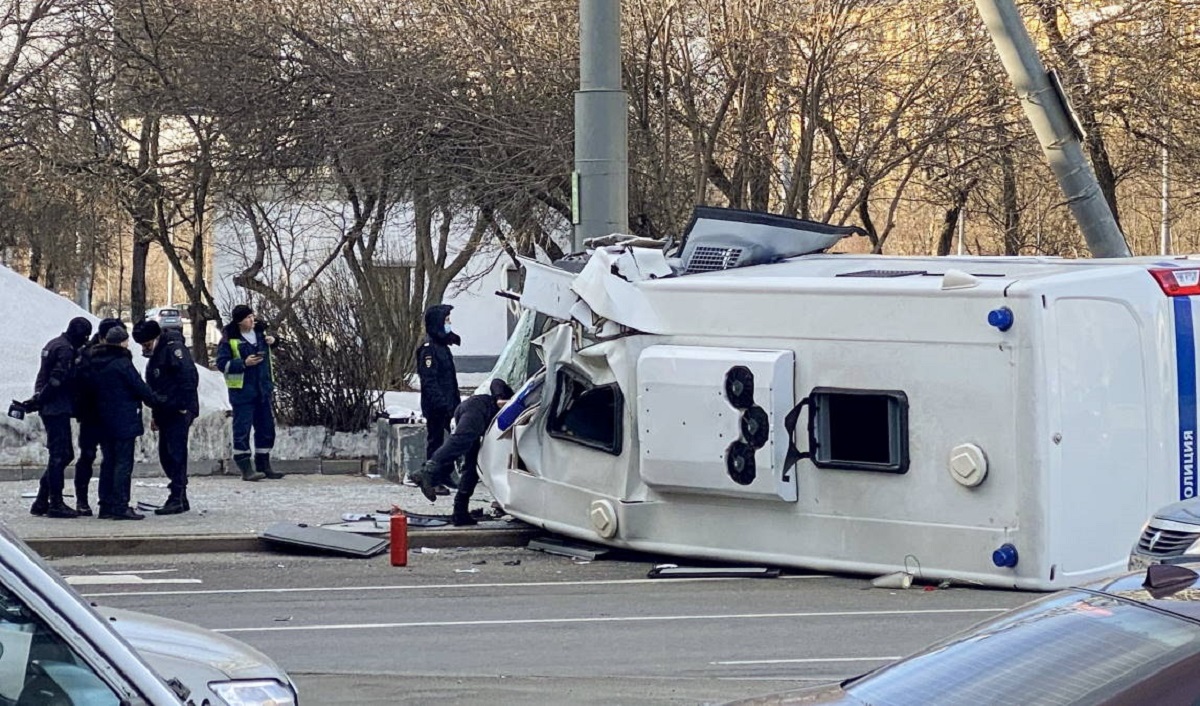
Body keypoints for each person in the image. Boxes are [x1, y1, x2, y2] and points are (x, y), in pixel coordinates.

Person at [410, 378, 513, 525]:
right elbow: (496, 382)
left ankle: (460, 512)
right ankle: (426, 472)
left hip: (473, 415)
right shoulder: (515, 397)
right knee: (459, 442)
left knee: (472, 466)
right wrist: (500, 397)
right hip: (476, 410)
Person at [88, 325, 163, 520]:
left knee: (108, 462)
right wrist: (157, 400)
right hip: (123, 420)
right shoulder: (122, 363)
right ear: (123, 343)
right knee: (122, 463)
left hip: (100, 420)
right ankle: (120, 505)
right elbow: (140, 388)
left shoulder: (94, 361)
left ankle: (105, 505)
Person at [26, 317, 93, 518]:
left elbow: (43, 377)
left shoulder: (53, 343)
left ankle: (41, 500)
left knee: (62, 454)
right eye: (84, 337)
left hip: (51, 406)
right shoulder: (65, 350)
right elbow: (56, 380)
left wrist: (38, 397)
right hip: (57, 407)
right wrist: (39, 400)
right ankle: (55, 502)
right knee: (60, 455)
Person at [133, 319, 199, 515]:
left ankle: (177, 496)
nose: (144, 349)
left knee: (175, 453)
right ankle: (180, 495)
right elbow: (157, 384)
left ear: (155, 338)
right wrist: (156, 414)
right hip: (166, 409)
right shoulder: (158, 352)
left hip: (178, 409)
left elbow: (188, 378)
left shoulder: (173, 350)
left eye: (146, 344)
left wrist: (181, 406)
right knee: (166, 454)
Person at [215, 304, 282, 482]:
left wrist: (274, 341)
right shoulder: (230, 339)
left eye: (252, 316)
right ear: (239, 321)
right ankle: (245, 468)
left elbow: (270, 347)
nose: (252, 320)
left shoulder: (259, 333)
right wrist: (243, 363)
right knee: (242, 430)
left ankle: (264, 464)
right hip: (242, 392)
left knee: (266, 428)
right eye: (247, 318)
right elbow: (222, 364)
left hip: (262, 389)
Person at [72, 317, 125, 516]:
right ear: (103, 337)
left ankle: (107, 500)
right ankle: (82, 500)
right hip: (91, 414)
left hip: (108, 414)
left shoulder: (116, 353)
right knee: (87, 456)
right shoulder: (86, 355)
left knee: (110, 457)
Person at [415, 304, 460, 494]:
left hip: (449, 403)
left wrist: (454, 403)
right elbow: (429, 381)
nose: (449, 323)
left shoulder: (442, 346)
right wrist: (441, 403)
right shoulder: (429, 349)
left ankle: (444, 474)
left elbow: (449, 378)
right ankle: (432, 480)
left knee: (450, 442)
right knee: (436, 442)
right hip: (436, 405)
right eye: (446, 320)